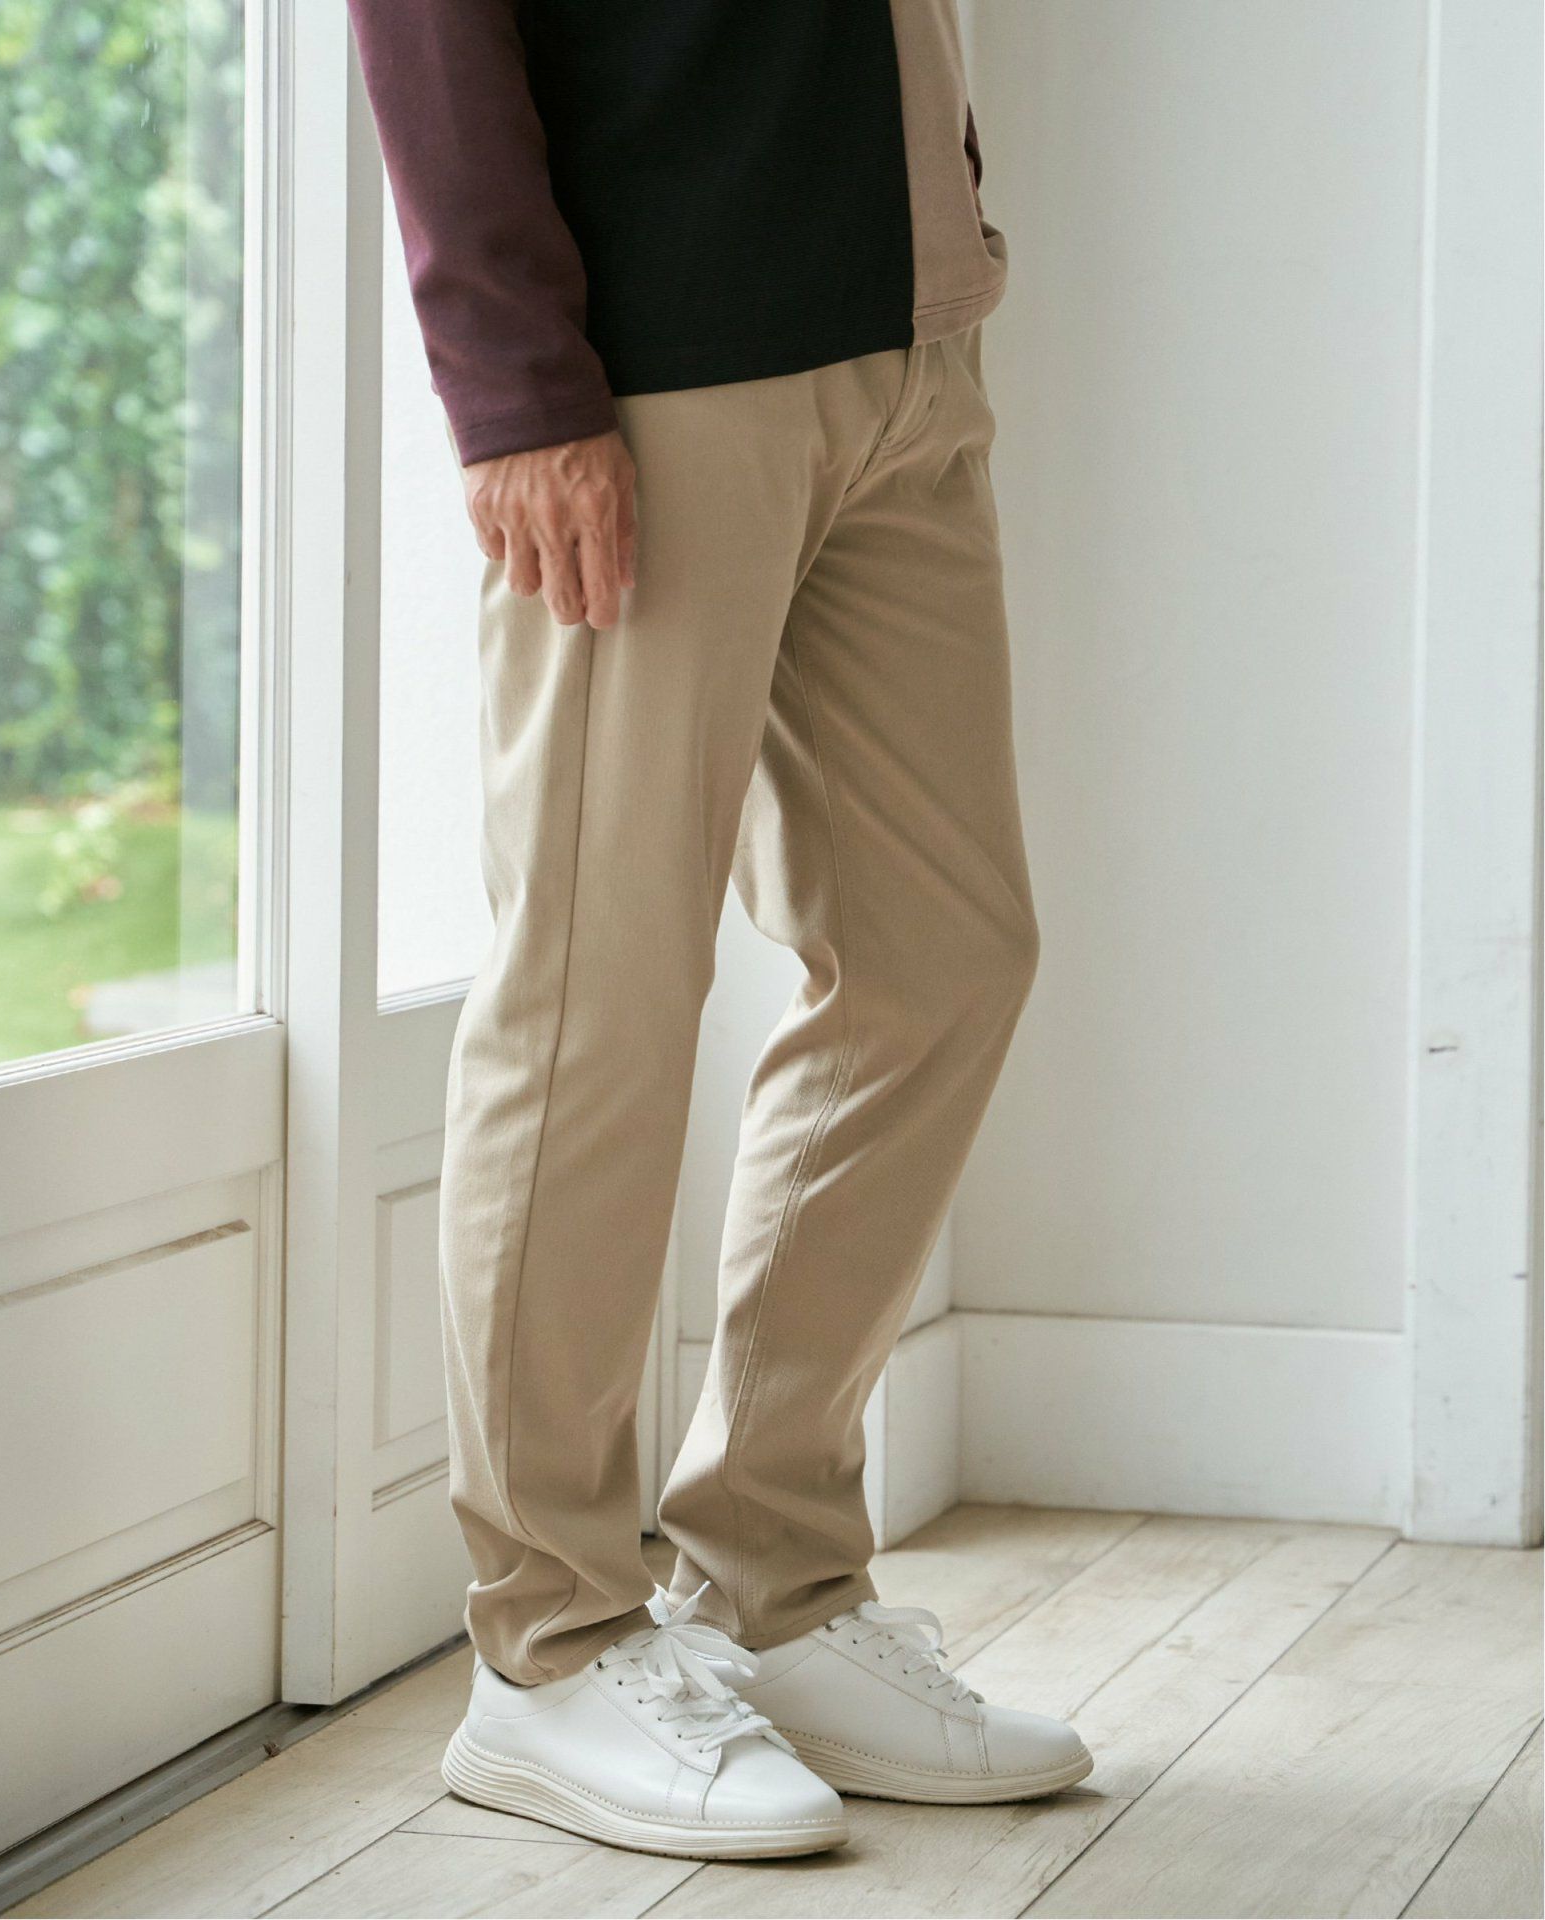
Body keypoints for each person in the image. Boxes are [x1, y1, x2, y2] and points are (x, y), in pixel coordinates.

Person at [348, 0, 1091, 1859]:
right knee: (594, 991)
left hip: (906, 323)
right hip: (662, 344)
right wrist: (515, 382)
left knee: (943, 957)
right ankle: (547, 1643)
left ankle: (772, 1577)